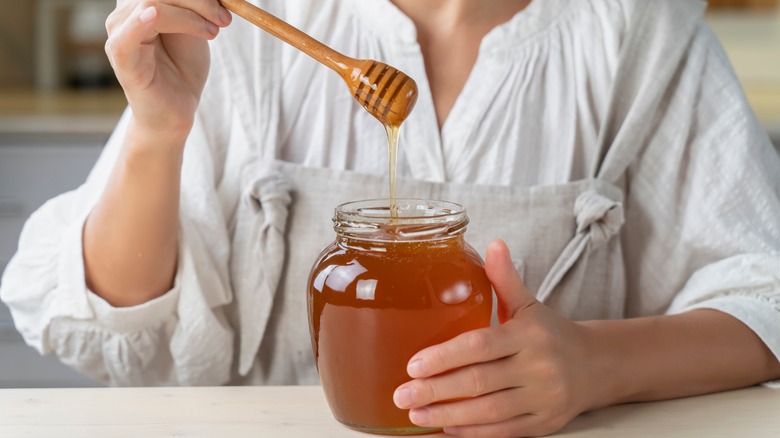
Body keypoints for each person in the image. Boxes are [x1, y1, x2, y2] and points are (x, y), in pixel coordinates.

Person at [2, 0, 780, 436]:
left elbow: (765, 296)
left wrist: (594, 365)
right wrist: (158, 129)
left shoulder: (640, 33)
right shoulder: (251, 27)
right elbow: (109, 330)